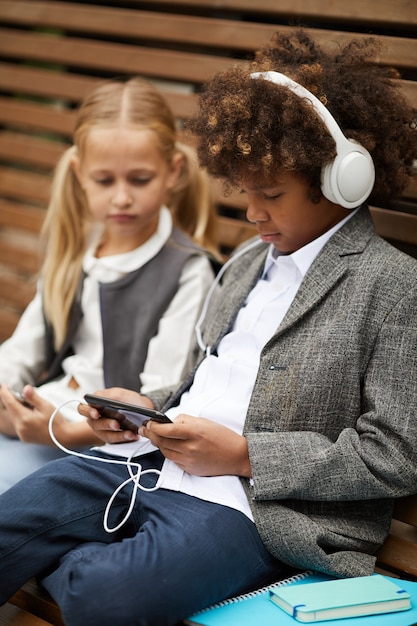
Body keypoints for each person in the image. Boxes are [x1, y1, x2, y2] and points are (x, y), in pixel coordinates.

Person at [0, 30, 417, 626]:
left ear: (340, 181)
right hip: (149, 465)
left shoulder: (394, 287)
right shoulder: (249, 263)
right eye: (245, 192)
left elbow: (396, 453)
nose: (252, 213)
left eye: (270, 194)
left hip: (252, 509)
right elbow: (206, 385)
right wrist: (146, 408)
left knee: (103, 593)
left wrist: (248, 456)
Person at [0, 77, 218, 493]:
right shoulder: (76, 253)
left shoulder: (188, 271)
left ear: (172, 172)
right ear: (81, 175)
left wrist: (62, 433)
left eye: (139, 180)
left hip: (109, 451)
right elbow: (21, 351)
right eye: (104, 181)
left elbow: (159, 401)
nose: (121, 198)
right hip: (46, 414)